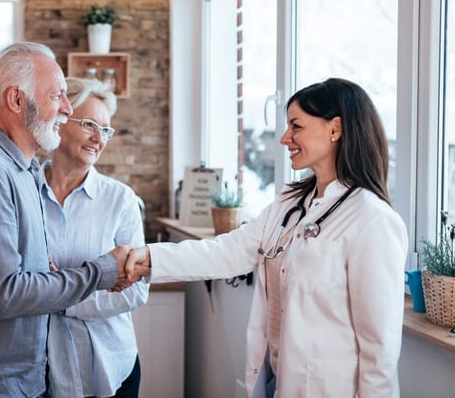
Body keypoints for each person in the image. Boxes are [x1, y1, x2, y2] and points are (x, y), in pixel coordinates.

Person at [125, 78, 408, 398]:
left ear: (335, 129)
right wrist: (150, 257)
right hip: (277, 380)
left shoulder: (373, 221)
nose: (285, 138)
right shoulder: (291, 202)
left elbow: (379, 348)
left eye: (296, 126)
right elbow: (228, 251)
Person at [0, 43, 131, 398]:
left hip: (21, 377)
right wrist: (103, 272)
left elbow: (13, 274)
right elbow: (5, 294)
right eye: (57, 96)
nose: (65, 110)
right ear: (17, 100)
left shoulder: (25, 170)